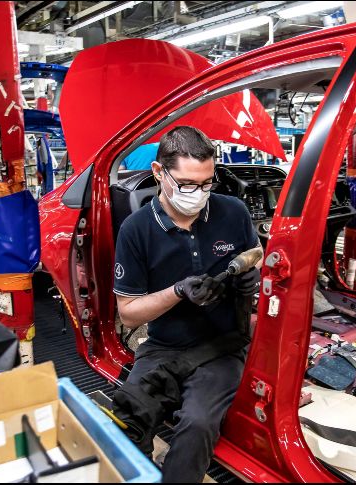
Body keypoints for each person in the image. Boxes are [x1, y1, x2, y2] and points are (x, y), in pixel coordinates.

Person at [112, 126, 261, 483]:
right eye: (187, 184)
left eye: (207, 183)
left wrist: (251, 278)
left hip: (223, 346)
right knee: (126, 417)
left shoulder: (233, 212)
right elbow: (128, 312)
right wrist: (177, 292)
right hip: (164, 346)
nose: (199, 194)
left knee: (197, 424)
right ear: (158, 173)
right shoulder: (136, 229)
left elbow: (257, 256)